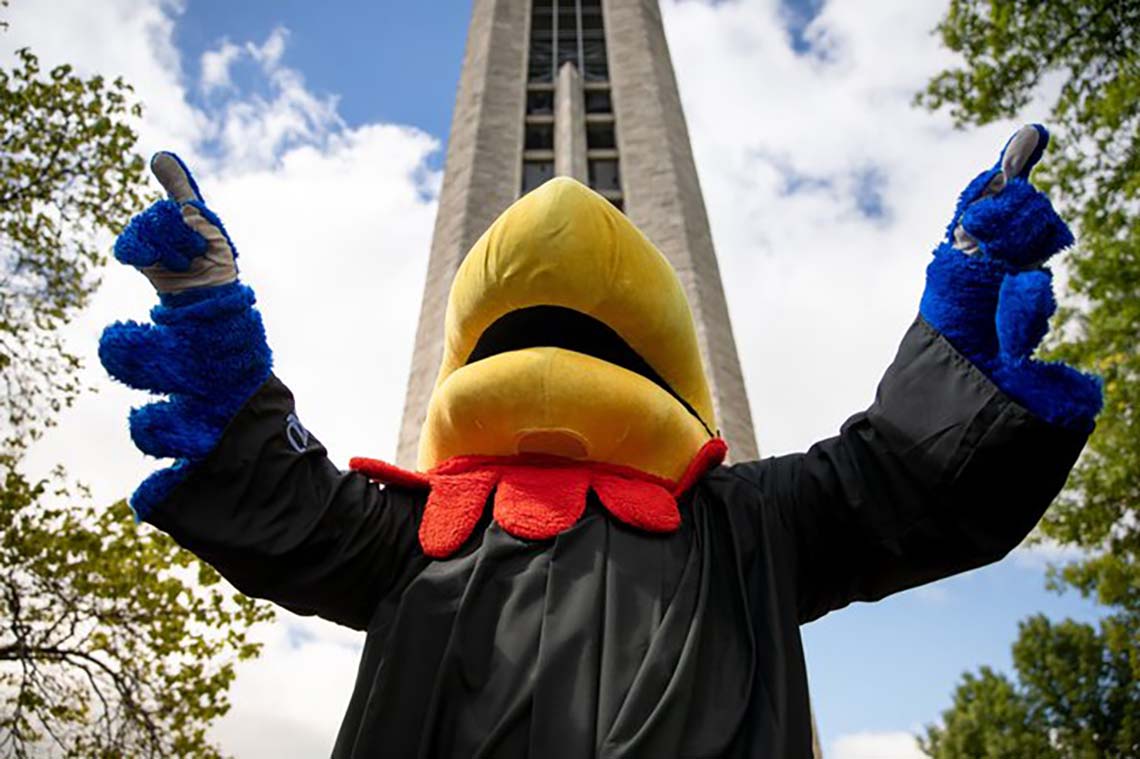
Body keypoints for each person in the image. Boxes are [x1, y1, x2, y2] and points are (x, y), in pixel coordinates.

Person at [100, 125, 1101, 758]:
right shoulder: (417, 532)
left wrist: (963, 302)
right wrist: (217, 332)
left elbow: (902, 479)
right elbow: (286, 501)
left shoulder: (751, 525)